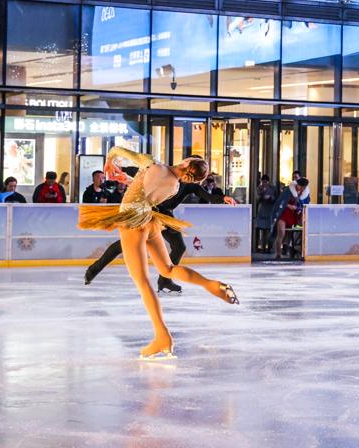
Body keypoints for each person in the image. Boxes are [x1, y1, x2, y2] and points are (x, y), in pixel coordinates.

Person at [78, 148, 238, 359]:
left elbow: (117, 150)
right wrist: (125, 178)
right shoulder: (174, 186)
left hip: (132, 222)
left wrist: (109, 161)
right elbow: (145, 189)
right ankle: (212, 285)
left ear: (186, 162)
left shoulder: (152, 164)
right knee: (167, 269)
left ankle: (162, 336)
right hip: (150, 222)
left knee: (142, 281)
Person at [272, 177, 309, 258]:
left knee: (289, 234)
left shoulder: (305, 194)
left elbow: (305, 204)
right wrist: (289, 206)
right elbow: (280, 202)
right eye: (301, 187)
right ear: (297, 185)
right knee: (281, 232)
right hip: (283, 213)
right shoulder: (288, 190)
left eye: (304, 187)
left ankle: (289, 250)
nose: (302, 189)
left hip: (294, 215)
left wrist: (298, 208)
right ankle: (278, 254)